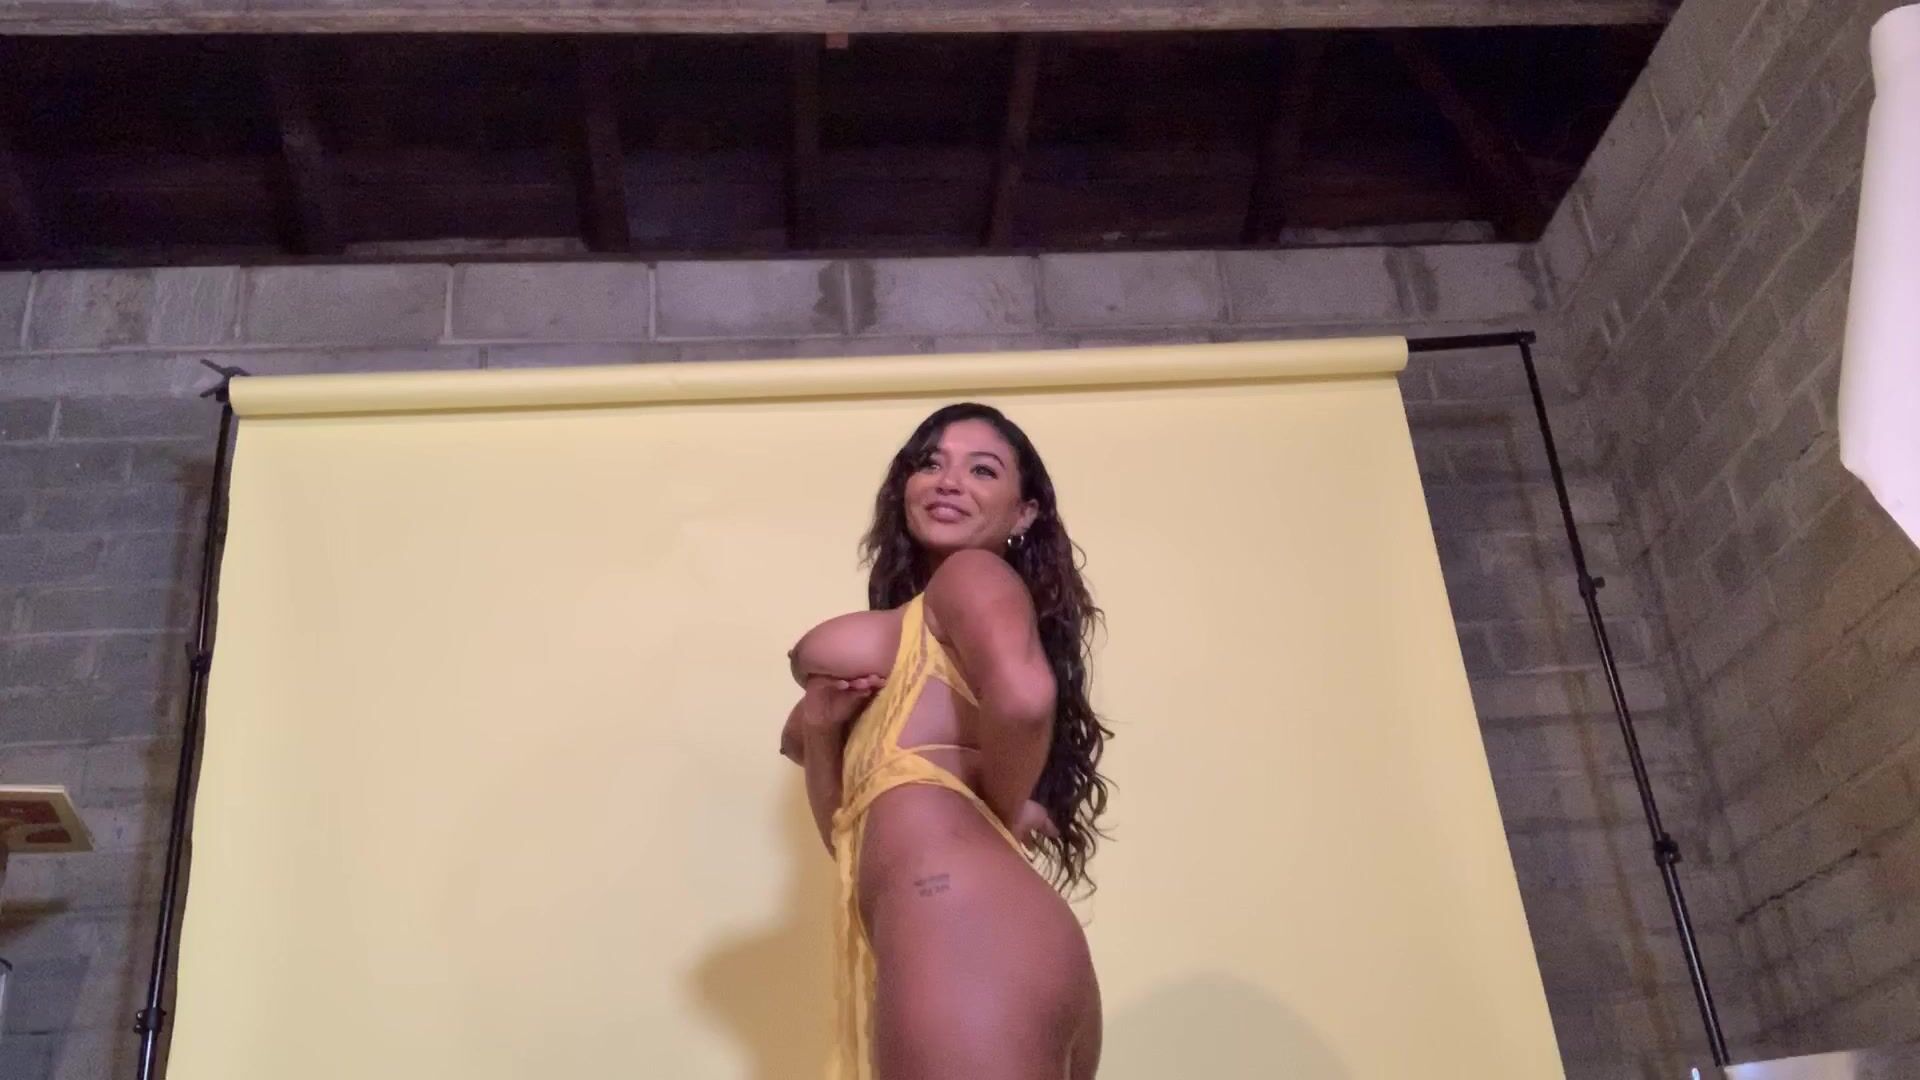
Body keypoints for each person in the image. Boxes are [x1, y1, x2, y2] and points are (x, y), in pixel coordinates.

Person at [780, 402, 1111, 1080]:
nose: (948, 480)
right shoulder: (920, 639)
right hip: (966, 937)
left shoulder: (974, 574)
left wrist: (1004, 806)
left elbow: (1024, 698)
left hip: (964, 932)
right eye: (930, 463)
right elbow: (845, 832)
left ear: (1023, 513)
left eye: (982, 470)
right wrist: (819, 728)